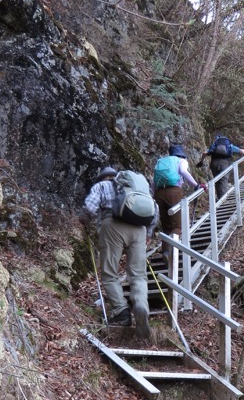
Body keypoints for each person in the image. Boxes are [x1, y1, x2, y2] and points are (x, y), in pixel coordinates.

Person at [80, 166, 151, 339]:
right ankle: (141, 305)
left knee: (110, 273)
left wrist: (84, 220)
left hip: (112, 226)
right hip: (139, 230)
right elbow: (153, 212)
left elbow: (90, 208)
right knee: (138, 275)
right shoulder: (136, 188)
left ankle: (121, 311)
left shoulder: (102, 186)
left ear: (103, 178)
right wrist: (147, 234)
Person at [153, 145, 207, 247]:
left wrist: (154, 195)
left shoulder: (161, 161)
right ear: (182, 154)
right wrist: (197, 185)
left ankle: (165, 252)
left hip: (159, 193)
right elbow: (183, 171)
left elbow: (154, 181)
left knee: (166, 227)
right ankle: (172, 253)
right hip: (174, 192)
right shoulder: (181, 160)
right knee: (176, 226)